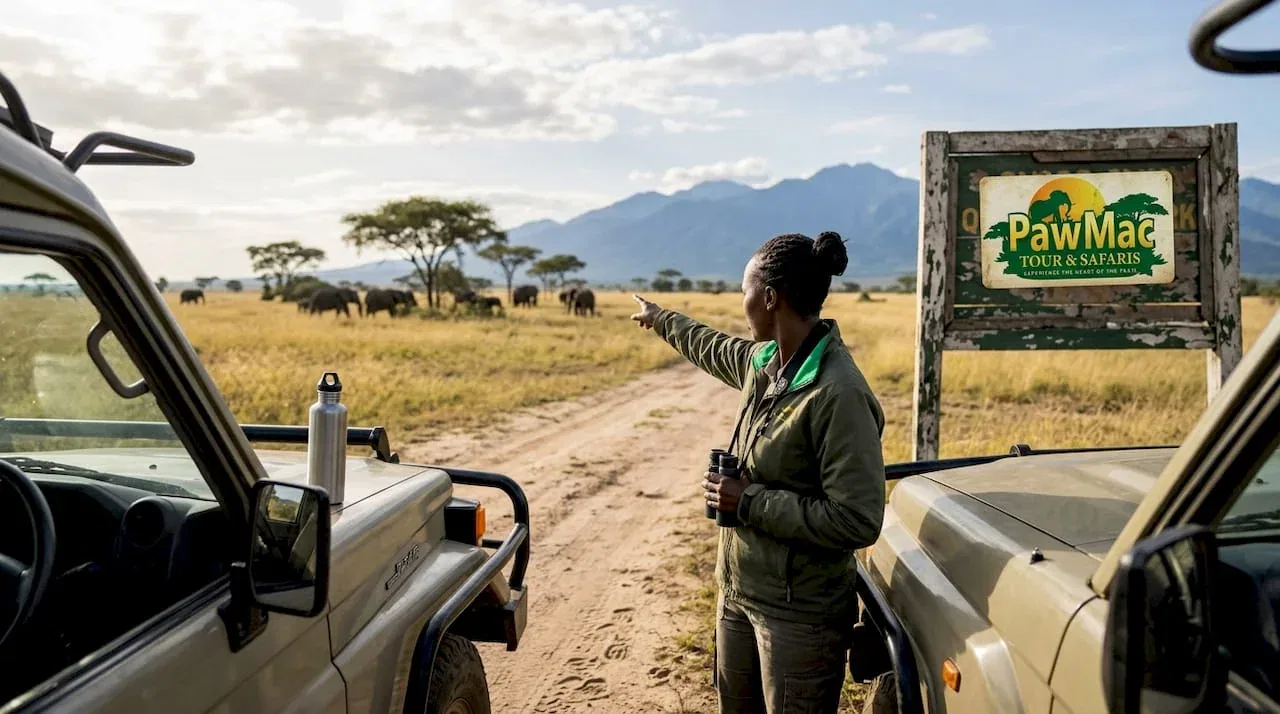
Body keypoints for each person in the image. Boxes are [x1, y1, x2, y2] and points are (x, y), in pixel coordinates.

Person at [631, 231, 886, 714]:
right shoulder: (767, 362)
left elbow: (857, 518)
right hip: (739, 593)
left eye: (745, 290)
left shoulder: (838, 394)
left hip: (800, 617)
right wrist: (662, 320)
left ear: (770, 297)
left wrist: (747, 501)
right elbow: (713, 346)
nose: (741, 301)